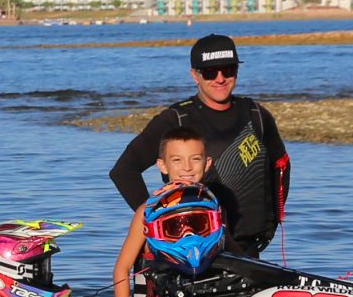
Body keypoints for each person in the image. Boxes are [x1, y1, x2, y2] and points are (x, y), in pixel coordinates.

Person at [107, 33, 292, 256]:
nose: (220, 78)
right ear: (195, 75)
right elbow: (123, 171)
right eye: (210, 72)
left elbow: (281, 167)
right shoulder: (175, 119)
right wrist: (156, 219)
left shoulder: (257, 115)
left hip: (249, 249)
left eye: (228, 69)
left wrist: (271, 223)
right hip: (188, 248)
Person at [113, 127, 223, 297]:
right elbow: (122, 268)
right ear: (162, 166)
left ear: (207, 163)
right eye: (177, 160)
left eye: (195, 159)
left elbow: (232, 256)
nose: (187, 168)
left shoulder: (213, 209)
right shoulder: (146, 212)